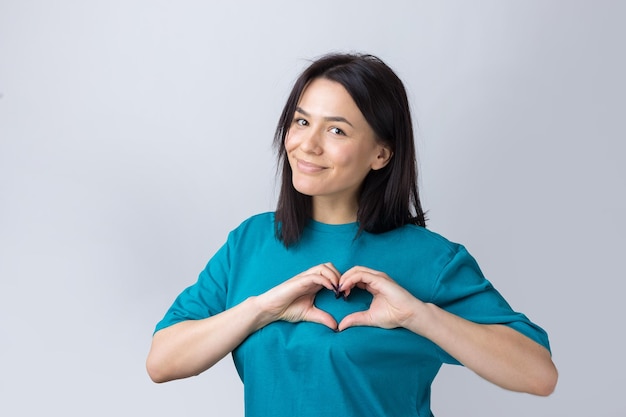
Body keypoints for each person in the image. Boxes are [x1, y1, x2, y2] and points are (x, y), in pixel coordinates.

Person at [146, 53, 558, 417]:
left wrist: (419, 316)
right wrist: (261, 309)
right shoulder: (249, 243)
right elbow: (162, 361)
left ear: (381, 153)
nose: (307, 144)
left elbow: (539, 374)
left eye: (336, 130)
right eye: (302, 121)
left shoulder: (431, 260)